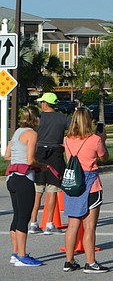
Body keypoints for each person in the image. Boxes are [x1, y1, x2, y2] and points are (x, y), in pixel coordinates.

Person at [62, 107, 110, 273]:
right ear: (89, 120)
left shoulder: (66, 139)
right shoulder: (95, 139)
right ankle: (90, 263)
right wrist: (103, 139)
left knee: (72, 225)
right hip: (90, 183)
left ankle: (69, 260)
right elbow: (104, 157)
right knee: (89, 226)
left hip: (73, 182)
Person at [4, 106, 44, 267]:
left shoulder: (17, 132)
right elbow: (30, 160)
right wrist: (41, 166)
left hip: (12, 177)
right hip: (24, 178)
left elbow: (7, 155)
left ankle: (15, 253)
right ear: (35, 119)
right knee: (24, 217)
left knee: (17, 215)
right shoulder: (32, 134)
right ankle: (22, 255)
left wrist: (19, 156)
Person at [29, 92, 70, 236]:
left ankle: (33, 222)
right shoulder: (63, 118)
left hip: (39, 153)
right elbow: (71, 131)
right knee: (53, 190)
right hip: (56, 154)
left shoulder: (38, 118)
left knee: (38, 190)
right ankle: (49, 223)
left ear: (46, 104)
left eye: (42, 102)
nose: (41, 104)